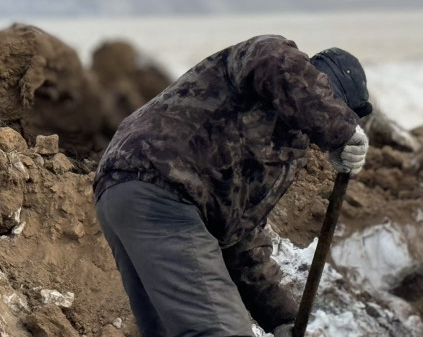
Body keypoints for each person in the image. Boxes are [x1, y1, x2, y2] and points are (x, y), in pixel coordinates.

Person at [93, 35, 372, 337]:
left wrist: (281, 318)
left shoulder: (282, 149)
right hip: (164, 188)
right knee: (222, 330)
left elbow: (239, 237)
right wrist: (342, 129)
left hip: (123, 191)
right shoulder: (268, 71)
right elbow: (272, 56)